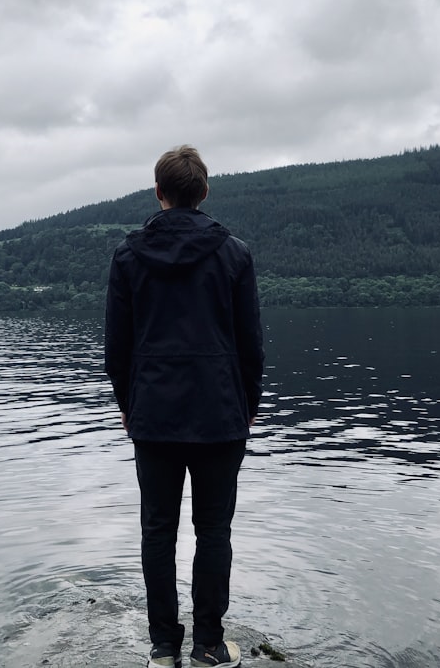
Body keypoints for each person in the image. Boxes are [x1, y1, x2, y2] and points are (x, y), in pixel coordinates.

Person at [105, 145, 264, 668]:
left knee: (157, 530)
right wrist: (248, 405)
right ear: (204, 192)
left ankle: (162, 648)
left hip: (153, 413)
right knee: (213, 530)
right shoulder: (235, 254)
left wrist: (129, 404)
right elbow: (251, 346)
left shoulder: (129, 256)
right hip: (220, 412)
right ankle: (209, 647)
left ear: (159, 193)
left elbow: (117, 348)